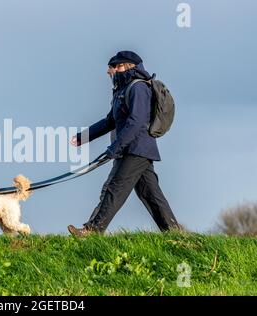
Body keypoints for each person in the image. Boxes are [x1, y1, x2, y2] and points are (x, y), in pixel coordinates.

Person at [68, 51, 181, 237]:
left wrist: (116, 147)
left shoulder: (138, 88)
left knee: (113, 188)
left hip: (135, 149)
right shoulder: (122, 90)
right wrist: (83, 137)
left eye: (112, 66)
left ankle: (92, 231)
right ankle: (175, 234)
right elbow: (109, 121)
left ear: (126, 66)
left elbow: (136, 122)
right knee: (151, 195)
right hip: (134, 150)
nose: (108, 71)